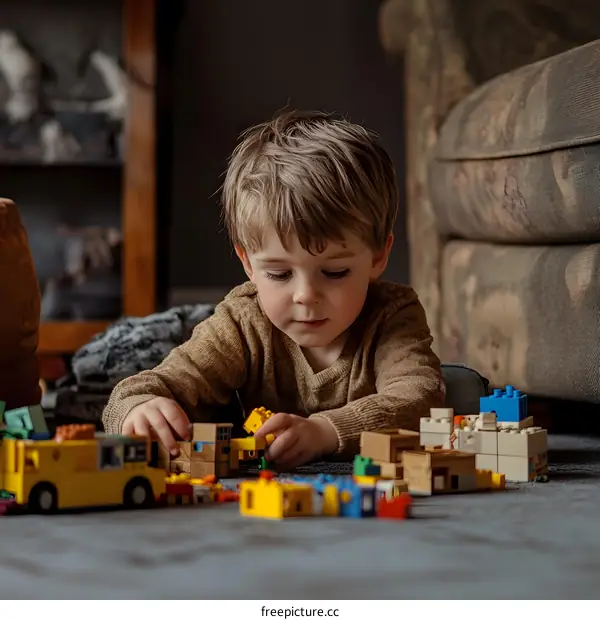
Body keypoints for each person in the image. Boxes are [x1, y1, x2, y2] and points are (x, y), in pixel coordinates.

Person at [101, 109, 445, 469]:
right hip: (261, 510)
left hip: (363, 503)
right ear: (248, 263)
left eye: (335, 271)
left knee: (454, 386)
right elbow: (141, 389)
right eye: (280, 274)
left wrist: (324, 432)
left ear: (378, 256)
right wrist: (138, 409)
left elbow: (420, 400)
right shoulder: (243, 321)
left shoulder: (393, 314)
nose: (305, 295)